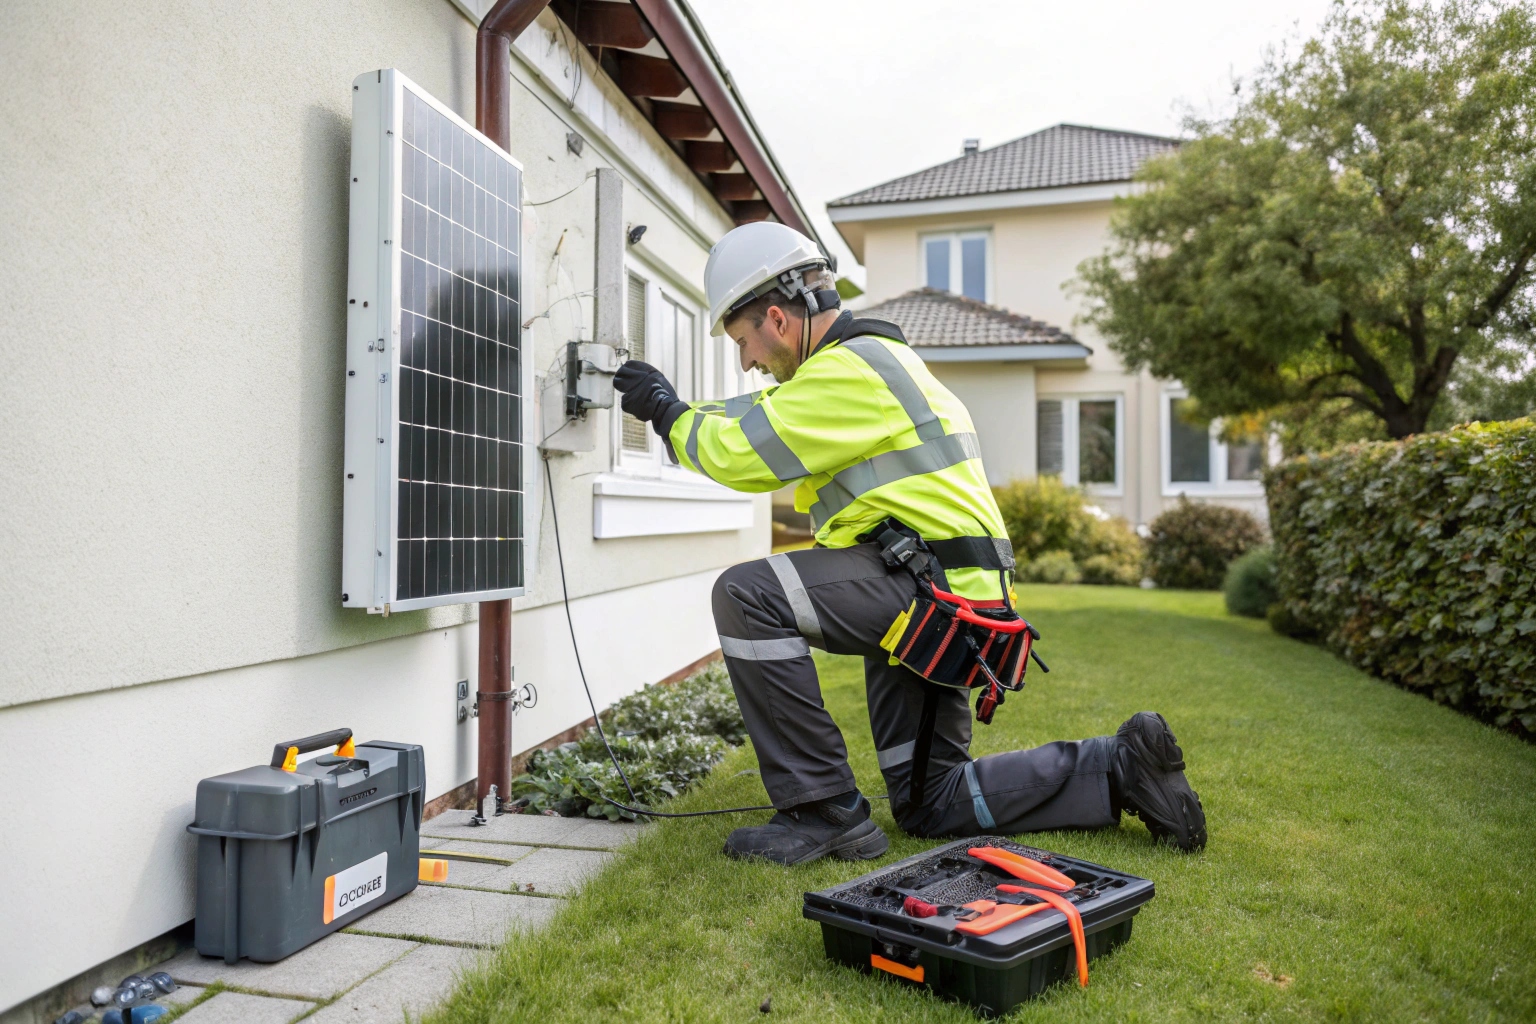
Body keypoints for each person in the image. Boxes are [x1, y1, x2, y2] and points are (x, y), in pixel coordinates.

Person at [613, 222, 1206, 866]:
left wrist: (665, 415)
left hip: (924, 594)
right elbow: (751, 416)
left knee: (748, 595)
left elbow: (743, 451)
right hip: (948, 601)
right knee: (932, 802)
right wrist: (676, 405)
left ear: (778, 319)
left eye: (742, 342)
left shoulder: (849, 373)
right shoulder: (865, 367)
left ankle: (823, 811)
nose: (747, 362)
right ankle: (1120, 767)